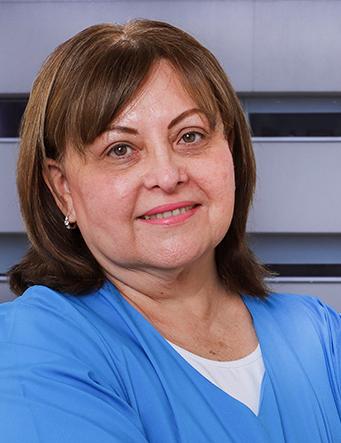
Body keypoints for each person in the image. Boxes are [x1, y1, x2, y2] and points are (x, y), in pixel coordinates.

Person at [0, 19, 339, 443]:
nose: (166, 175)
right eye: (120, 149)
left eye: (190, 136)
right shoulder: (29, 348)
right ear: (62, 189)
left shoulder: (319, 334)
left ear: (230, 152)